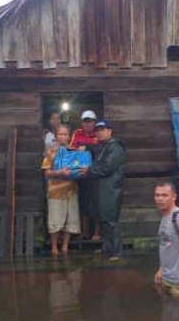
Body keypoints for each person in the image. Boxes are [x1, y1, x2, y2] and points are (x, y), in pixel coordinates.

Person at [79, 120, 126, 261]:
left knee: (111, 221)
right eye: (98, 130)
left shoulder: (115, 148)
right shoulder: (104, 147)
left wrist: (89, 170)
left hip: (111, 190)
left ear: (110, 131)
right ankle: (107, 248)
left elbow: (107, 167)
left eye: (102, 129)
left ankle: (117, 251)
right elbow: (95, 152)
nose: (99, 132)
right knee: (103, 220)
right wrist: (85, 147)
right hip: (103, 189)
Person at [41, 124, 80, 255]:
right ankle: (54, 247)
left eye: (65, 134)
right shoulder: (50, 151)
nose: (62, 137)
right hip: (55, 191)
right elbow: (46, 173)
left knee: (71, 220)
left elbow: (79, 168)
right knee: (55, 220)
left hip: (71, 190)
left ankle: (65, 246)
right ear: (56, 136)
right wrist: (60, 173)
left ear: (69, 137)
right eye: (60, 134)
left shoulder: (74, 152)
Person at [70, 110, 101, 241]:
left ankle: (97, 233)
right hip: (81, 173)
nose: (88, 124)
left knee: (96, 203)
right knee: (83, 203)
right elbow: (72, 147)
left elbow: (100, 145)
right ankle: (85, 232)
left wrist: (85, 145)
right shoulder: (77, 133)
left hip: (95, 173)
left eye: (90, 121)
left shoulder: (99, 132)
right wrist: (88, 144)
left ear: (94, 122)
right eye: (85, 121)